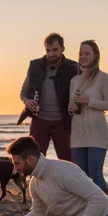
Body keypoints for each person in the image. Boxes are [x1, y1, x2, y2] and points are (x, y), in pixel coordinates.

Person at [68, 40, 108, 195]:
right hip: (77, 135)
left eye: (87, 53)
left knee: (95, 175)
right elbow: (71, 105)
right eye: (81, 53)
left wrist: (90, 101)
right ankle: (86, 211)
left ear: (96, 56)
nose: (83, 56)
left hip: (97, 136)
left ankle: (107, 212)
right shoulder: (74, 80)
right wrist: (70, 108)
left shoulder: (103, 78)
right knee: (82, 177)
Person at [20, 33, 77, 161]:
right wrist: (26, 101)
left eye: (55, 50)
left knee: (68, 162)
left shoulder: (73, 67)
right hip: (39, 120)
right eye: (48, 50)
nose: (51, 54)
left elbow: (80, 92)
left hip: (63, 122)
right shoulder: (35, 66)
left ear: (63, 49)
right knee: (34, 161)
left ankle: (66, 182)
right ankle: (37, 182)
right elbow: (23, 92)